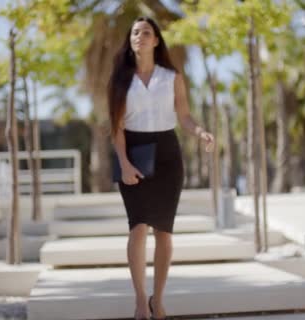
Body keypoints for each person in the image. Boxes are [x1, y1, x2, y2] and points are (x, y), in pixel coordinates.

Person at [107, 16, 215, 320]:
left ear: (156, 41)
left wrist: (200, 132)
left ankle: (159, 299)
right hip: (133, 150)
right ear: (130, 41)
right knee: (138, 226)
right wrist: (124, 162)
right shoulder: (119, 80)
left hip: (168, 152)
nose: (140, 36)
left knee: (164, 232)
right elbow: (115, 126)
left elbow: (184, 117)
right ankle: (141, 300)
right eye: (135, 32)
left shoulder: (171, 76)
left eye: (146, 32)